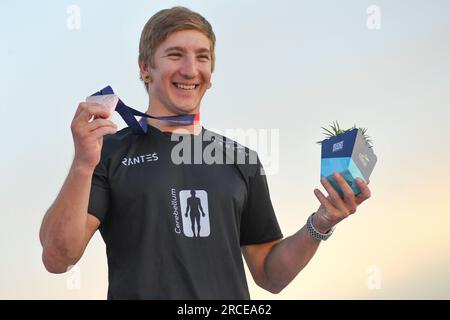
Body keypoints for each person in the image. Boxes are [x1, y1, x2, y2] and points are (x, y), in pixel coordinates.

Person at [39, 6, 371, 299]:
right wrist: (83, 164)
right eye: (174, 55)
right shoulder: (107, 152)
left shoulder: (242, 160)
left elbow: (270, 276)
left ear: (211, 74)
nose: (190, 69)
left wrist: (321, 223)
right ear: (144, 68)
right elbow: (58, 258)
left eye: (202, 57)